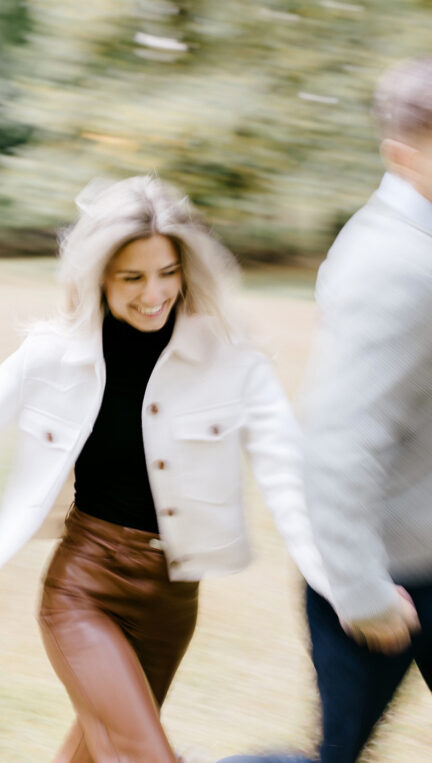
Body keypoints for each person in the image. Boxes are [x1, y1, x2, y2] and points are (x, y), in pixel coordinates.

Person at [0, 175, 332, 762]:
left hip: (173, 600)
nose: (154, 294)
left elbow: (287, 473)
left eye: (168, 273)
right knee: (145, 756)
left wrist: (340, 582)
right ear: (98, 278)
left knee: (97, 753)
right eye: (132, 277)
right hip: (86, 589)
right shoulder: (54, 356)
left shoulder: (231, 360)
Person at [218, 57, 432, 763]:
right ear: (403, 155)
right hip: (392, 574)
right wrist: (364, 590)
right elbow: (339, 442)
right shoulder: (397, 264)